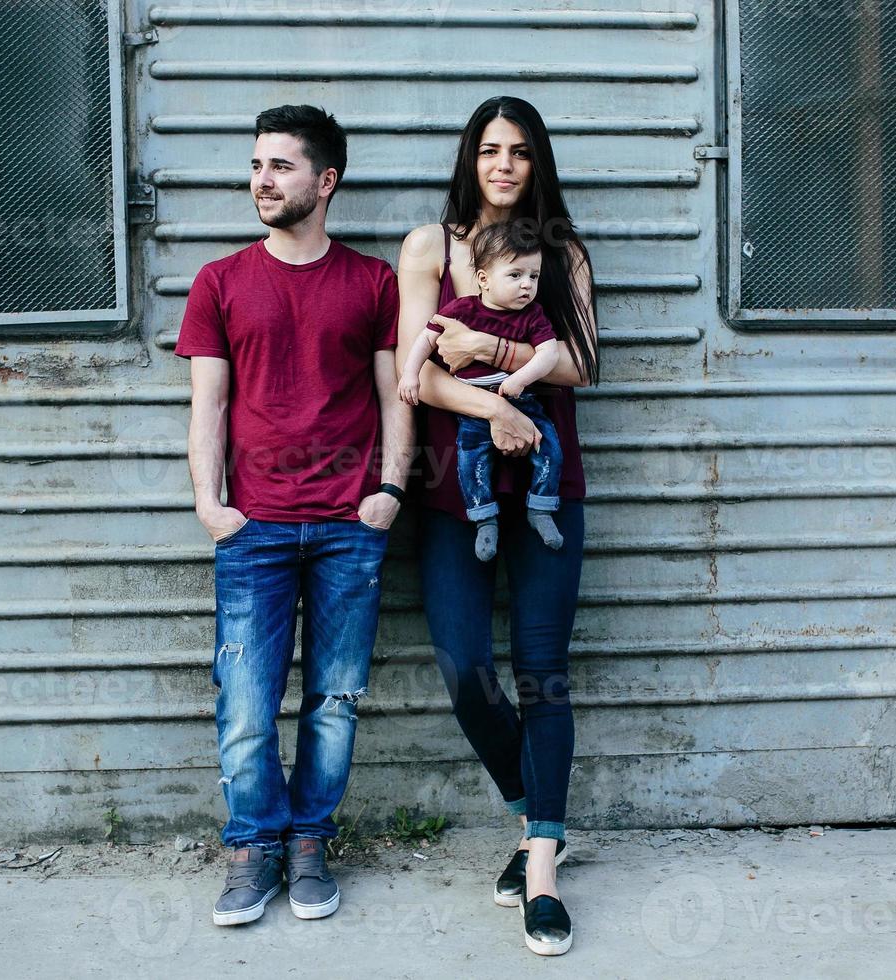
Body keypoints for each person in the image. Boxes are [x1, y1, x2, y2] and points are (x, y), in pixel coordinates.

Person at [175, 104, 412, 927]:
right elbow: (207, 407)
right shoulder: (220, 283)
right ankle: (253, 847)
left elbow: (395, 399)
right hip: (256, 529)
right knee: (244, 701)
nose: (261, 181)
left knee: (335, 698)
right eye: (255, 166)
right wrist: (211, 504)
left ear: (326, 181)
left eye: (279, 166)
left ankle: (309, 840)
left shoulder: (373, 283)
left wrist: (391, 490)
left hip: (350, 526)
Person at [396, 95, 599, 957]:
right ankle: (538, 817)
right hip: (455, 492)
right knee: (465, 667)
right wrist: (497, 409)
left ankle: (542, 867)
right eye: (489, 150)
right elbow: (417, 377)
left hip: (551, 494)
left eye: (519, 151)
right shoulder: (428, 248)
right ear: (469, 159)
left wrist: (499, 357)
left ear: (536, 161)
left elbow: (583, 365)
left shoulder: (563, 252)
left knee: (544, 672)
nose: (505, 165)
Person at [397, 220, 563, 560]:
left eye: (533, 276)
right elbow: (425, 340)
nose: (527, 285)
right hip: (472, 407)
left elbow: (550, 354)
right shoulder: (463, 310)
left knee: (549, 451)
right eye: (515, 275)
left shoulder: (533, 316)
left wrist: (519, 379)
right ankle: (484, 519)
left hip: (524, 401)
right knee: (470, 464)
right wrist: (411, 374)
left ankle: (541, 507)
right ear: (484, 279)